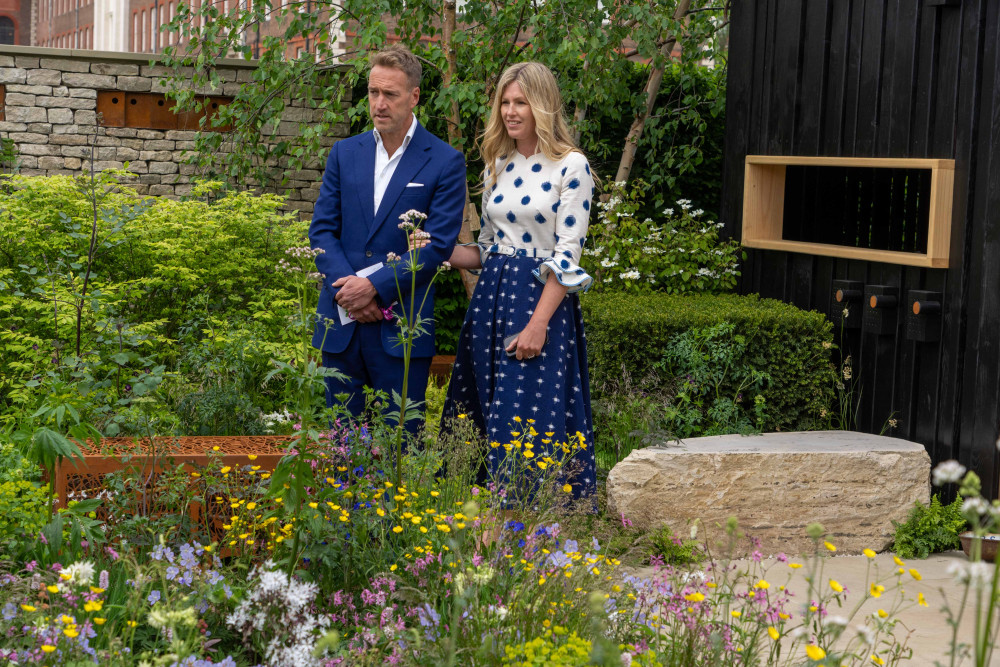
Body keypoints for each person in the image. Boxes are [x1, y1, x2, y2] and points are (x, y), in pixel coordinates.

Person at [417, 62, 597, 499]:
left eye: (521, 102)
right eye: (505, 102)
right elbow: (486, 250)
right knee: (485, 414)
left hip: (538, 303)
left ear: (544, 106)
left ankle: (534, 531)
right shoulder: (498, 164)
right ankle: (491, 535)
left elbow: (567, 254)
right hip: (490, 301)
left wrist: (538, 325)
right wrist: (435, 248)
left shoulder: (572, 166)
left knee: (524, 421)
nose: (511, 111)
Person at [309, 44, 467, 435]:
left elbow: (437, 245)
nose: (379, 103)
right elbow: (322, 231)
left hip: (402, 331)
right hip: (341, 324)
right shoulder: (345, 153)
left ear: (414, 96)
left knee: (401, 448)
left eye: (390, 94)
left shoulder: (444, 161)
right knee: (340, 443)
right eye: (373, 92)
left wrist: (375, 291)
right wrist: (351, 291)